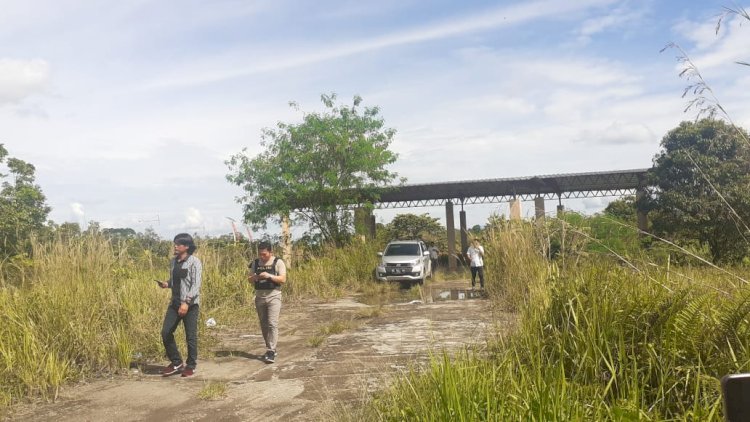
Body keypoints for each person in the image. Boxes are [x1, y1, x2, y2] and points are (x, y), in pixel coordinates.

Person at [157, 233, 202, 377]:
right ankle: (176, 362)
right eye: (175, 244)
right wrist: (166, 284)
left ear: (187, 246)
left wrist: (186, 303)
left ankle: (191, 365)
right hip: (175, 303)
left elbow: (195, 285)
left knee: (190, 336)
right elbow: (175, 281)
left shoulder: (195, 262)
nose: (175, 247)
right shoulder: (173, 261)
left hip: (190, 305)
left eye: (178, 244)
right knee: (166, 332)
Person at [249, 241, 287, 364]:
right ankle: (270, 347)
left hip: (274, 296)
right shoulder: (255, 263)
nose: (262, 257)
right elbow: (249, 279)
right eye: (260, 254)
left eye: (264, 254)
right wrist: (255, 277)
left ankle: (271, 350)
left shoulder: (278, 262)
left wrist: (269, 276)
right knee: (264, 324)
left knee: (272, 323)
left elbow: (282, 279)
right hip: (259, 297)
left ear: (271, 252)